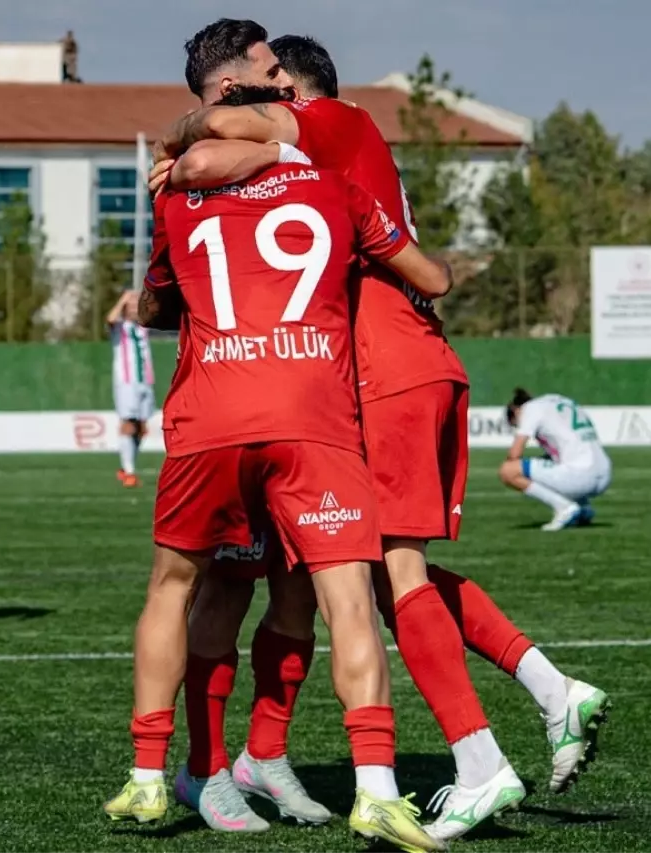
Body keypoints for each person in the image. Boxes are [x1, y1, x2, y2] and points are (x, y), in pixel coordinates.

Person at [154, 29, 611, 843]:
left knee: (382, 575)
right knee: (351, 575)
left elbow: (225, 144)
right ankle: (548, 690)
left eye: (271, 84)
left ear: (294, 91)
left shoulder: (330, 120)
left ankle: (480, 764)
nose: (261, 101)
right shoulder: (319, 158)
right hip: (342, 384)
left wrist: (186, 138)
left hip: (375, 373)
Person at [104, 139, 451, 851]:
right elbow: (433, 278)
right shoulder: (337, 185)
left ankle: (154, 769)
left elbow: (153, 304)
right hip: (312, 422)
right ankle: (374, 790)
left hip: (214, 419)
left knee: (180, 586)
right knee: (342, 596)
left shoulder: (177, 194)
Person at [501, 388, 612, 531]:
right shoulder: (558, 400)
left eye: (516, 424)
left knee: (508, 471)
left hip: (582, 477)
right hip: (605, 473)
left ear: (516, 411)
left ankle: (564, 508)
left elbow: (514, 455)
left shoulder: (529, 409)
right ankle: (583, 507)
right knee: (552, 462)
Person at [106, 291, 155, 487]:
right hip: (127, 381)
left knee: (142, 428)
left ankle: (129, 467)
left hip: (146, 380)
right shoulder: (120, 328)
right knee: (128, 423)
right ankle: (128, 470)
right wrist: (123, 300)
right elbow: (110, 319)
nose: (135, 307)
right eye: (132, 305)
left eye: (137, 304)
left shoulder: (143, 327)